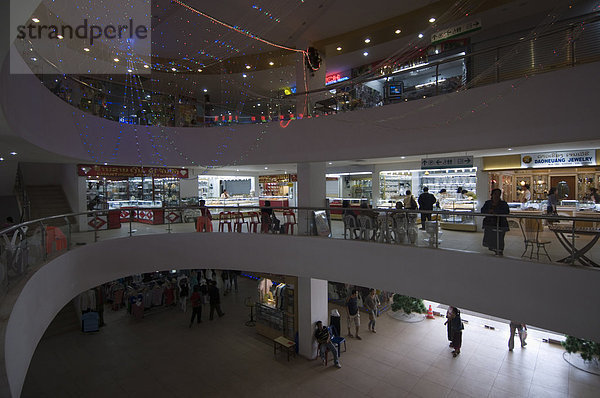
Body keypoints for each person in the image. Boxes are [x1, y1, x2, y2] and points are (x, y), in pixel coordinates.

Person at [481, 188, 510, 256]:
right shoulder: (488, 203)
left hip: (500, 224)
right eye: (495, 194)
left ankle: (499, 251)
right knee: (491, 238)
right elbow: (482, 211)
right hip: (490, 224)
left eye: (498, 194)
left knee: (499, 239)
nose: (497, 196)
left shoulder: (503, 204)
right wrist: (489, 211)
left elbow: (506, 212)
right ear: (492, 195)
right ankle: (495, 250)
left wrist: (495, 212)